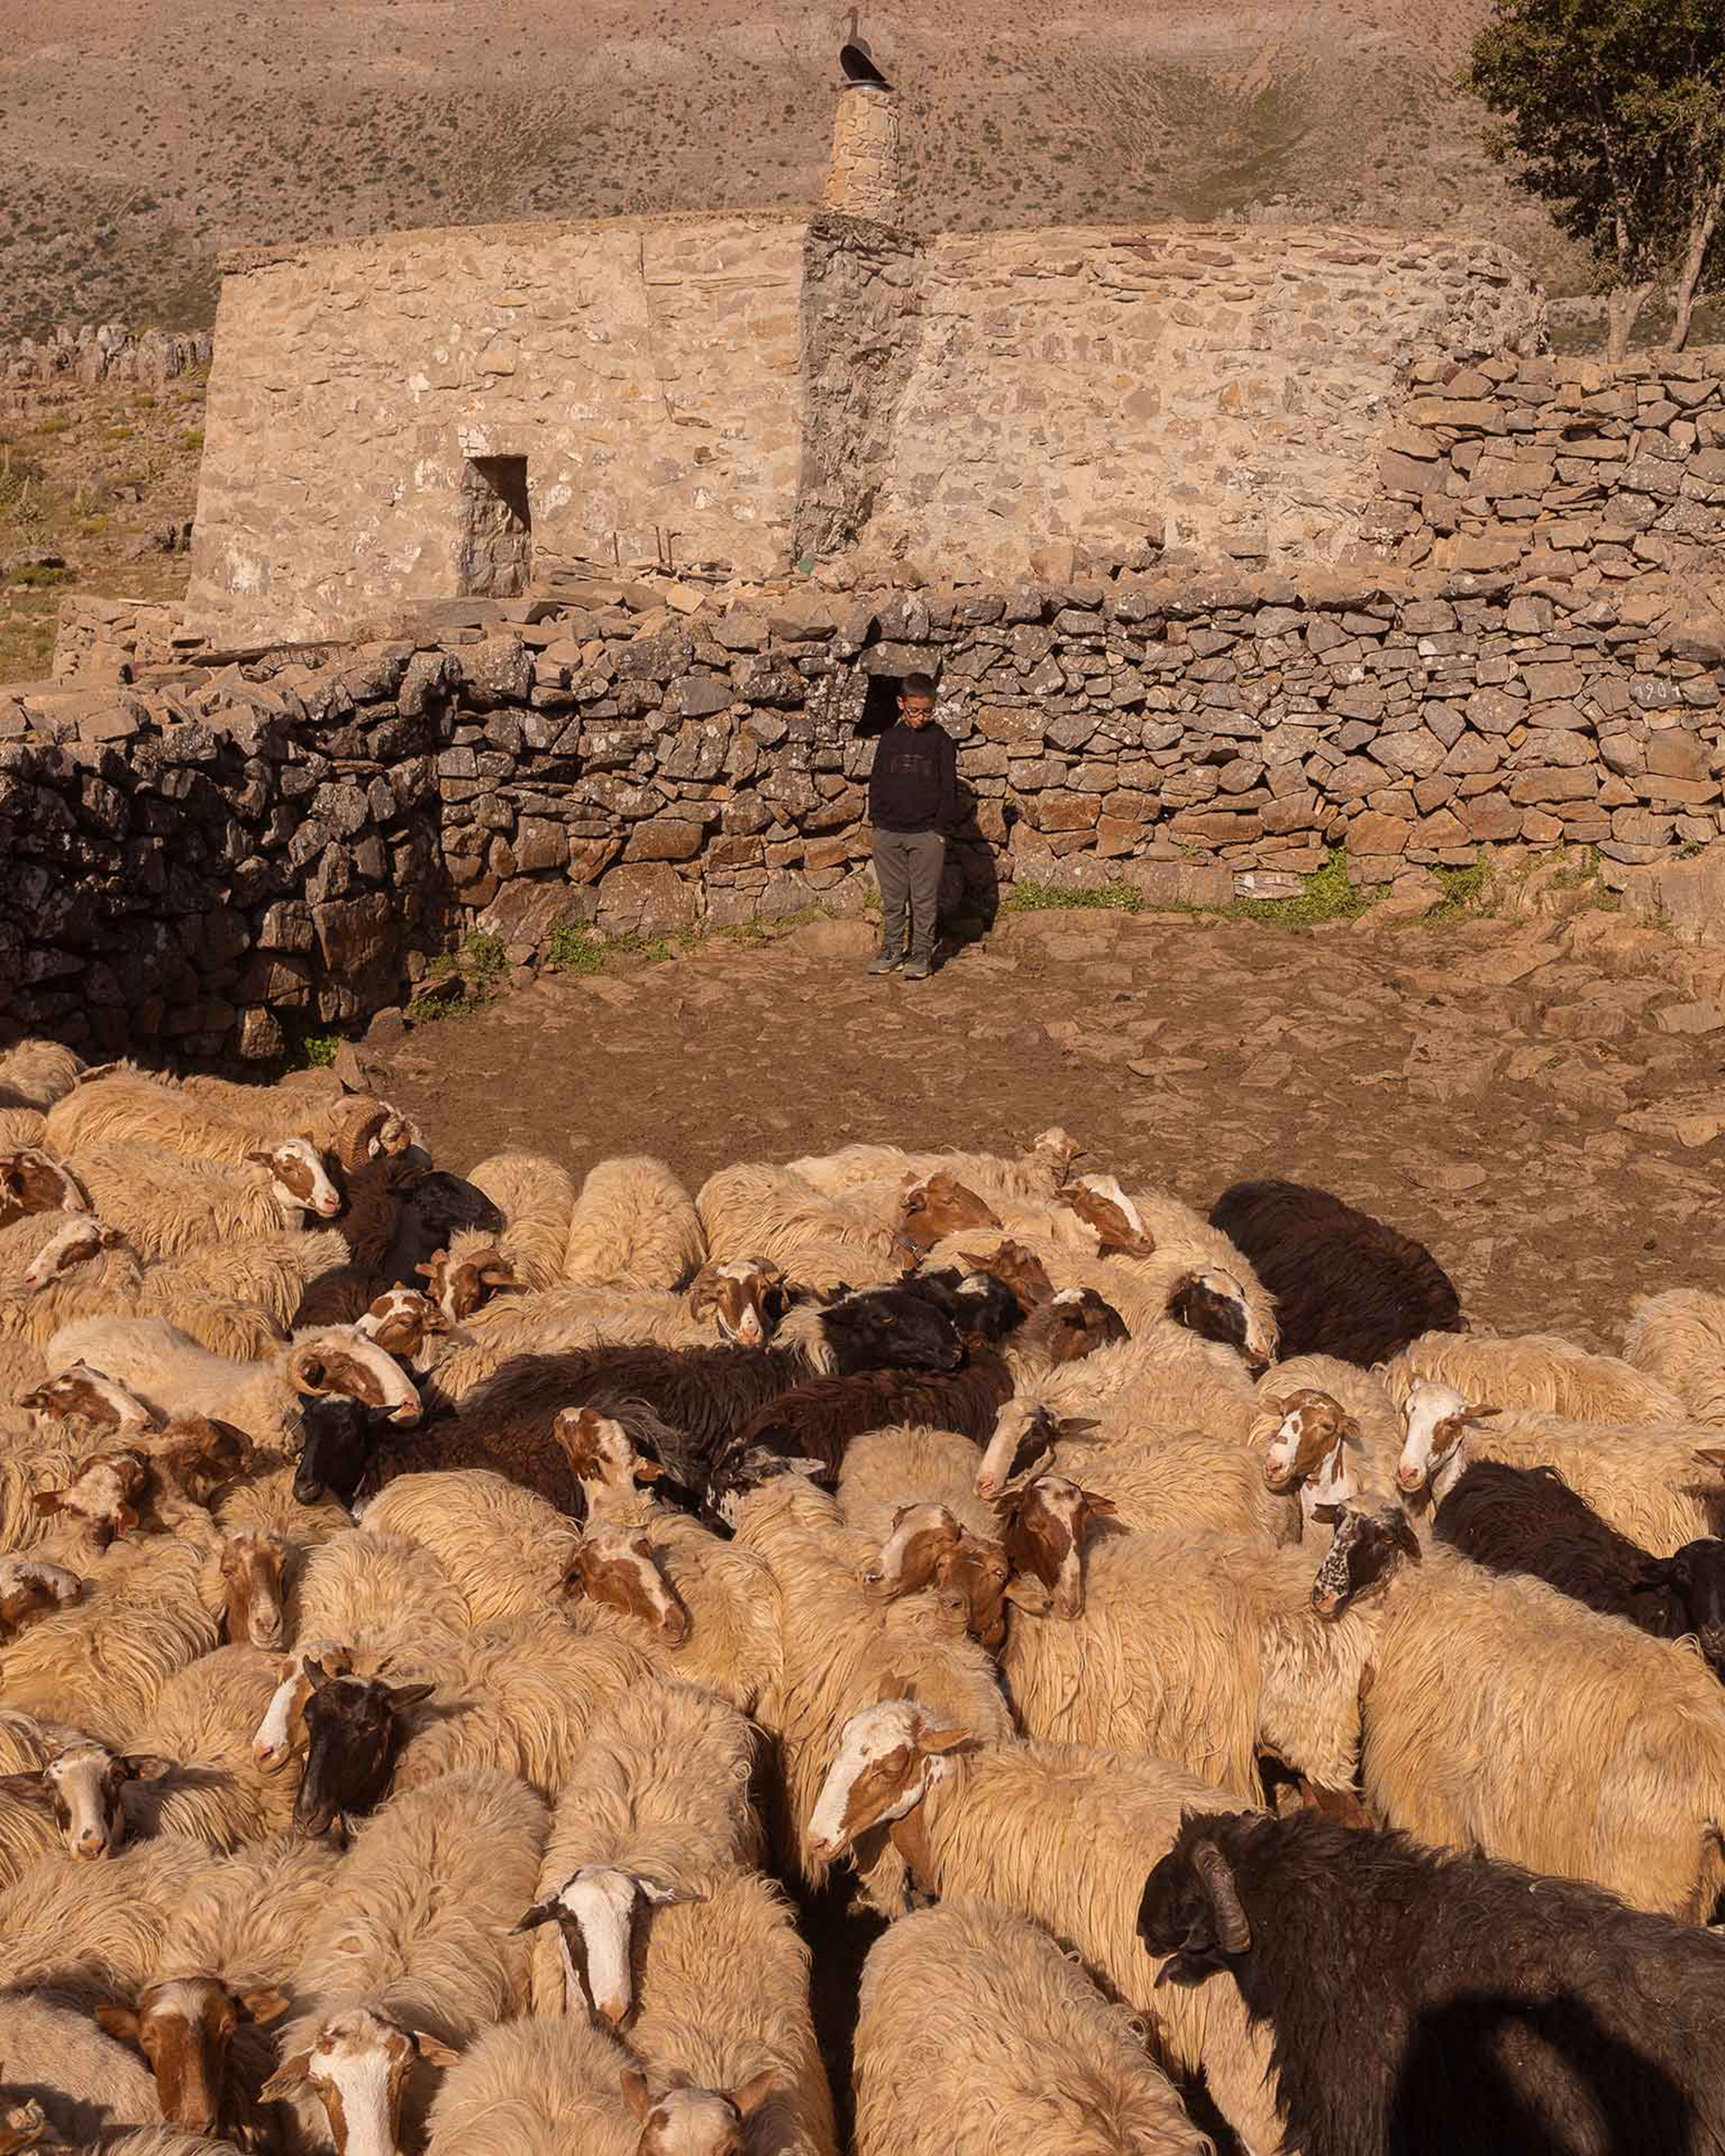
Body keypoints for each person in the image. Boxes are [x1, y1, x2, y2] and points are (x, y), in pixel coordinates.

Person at [867, 673, 956, 981]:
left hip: (926, 835)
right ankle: (891, 949)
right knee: (893, 899)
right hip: (887, 832)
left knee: (923, 900)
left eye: (927, 711)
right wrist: (876, 822)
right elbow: (877, 781)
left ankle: (921, 954)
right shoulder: (889, 739)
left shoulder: (942, 741)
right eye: (914, 711)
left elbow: (949, 790)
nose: (921, 717)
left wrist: (939, 831)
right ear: (900, 703)